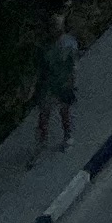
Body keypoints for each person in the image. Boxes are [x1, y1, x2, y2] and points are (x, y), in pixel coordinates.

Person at [32, 16, 80, 157]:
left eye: (57, 26)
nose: (55, 30)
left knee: (64, 111)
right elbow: (41, 67)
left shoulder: (69, 43)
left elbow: (73, 64)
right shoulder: (45, 46)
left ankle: (67, 136)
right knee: (44, 114)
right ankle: (41, 141)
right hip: (48, 85)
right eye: (53, 27)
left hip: (63, 83)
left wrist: (72, 81)